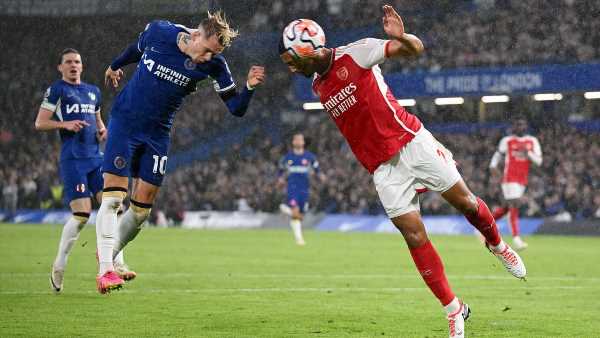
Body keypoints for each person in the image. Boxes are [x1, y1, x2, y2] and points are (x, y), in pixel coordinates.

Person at [279, 6, 526, 338]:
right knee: (413, 236)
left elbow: (413, 50)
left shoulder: (357, 53)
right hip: (383, 169)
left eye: (293, 58)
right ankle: (454, 309)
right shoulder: (316, 87)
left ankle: (497, 245)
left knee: (467, 204)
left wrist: (402, 37)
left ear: (310, 51)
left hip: (412, 143)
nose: (290, 65)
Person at [96, 12, 265, 294]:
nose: (209, 57)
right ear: (196, 36)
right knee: (113, 198)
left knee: (140, 213)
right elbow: (135, 50)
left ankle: (108, 254)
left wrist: (248, 88)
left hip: (158, 135)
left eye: (216, 53)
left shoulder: (216, 66)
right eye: (208, 50)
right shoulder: (160, 32)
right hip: (125, 122)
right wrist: (114, 66)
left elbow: (236, 109)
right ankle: (105, 272)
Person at [35, 48, 134, 294]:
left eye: (77, 61)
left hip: (96, 158)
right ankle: (59, 265)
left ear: (82, 65)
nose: (73, 65)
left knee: (115, 206)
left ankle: (117, 264)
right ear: (60, 67)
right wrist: (65, 123)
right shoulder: (57, 90)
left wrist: (103, 131)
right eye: (68, 62)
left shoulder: (93, 92)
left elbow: (98, 122)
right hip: (73, 160)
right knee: (82, 216)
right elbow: (40, 122)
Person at [489, 118, 542, 250]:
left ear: (526, 126)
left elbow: (539, 161)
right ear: (514, 126)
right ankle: (516, 239)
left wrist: (528, 152)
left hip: (522, 180)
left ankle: (486, 223)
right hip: (509, 178)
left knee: (508, 207)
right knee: (515, 204)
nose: (520, 126)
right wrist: (493, 166)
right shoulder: (507, 141)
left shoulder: (532, 141)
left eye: (522, 124)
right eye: (517, 124)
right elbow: (498, 155)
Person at [278, 133, 324, 245]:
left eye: (300, 140)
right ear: (293, 142)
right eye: (296, 140)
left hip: (305, 189)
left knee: (300, 216)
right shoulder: (288, 157)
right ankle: (299, 239)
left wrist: (320, 175)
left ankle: (286, 210)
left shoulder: (309, 157)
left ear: (303, 142)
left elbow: (317, 168)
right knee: (295, 211)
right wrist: (280, 179)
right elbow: (280, 170)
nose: (298, 141)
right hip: (292, 188)